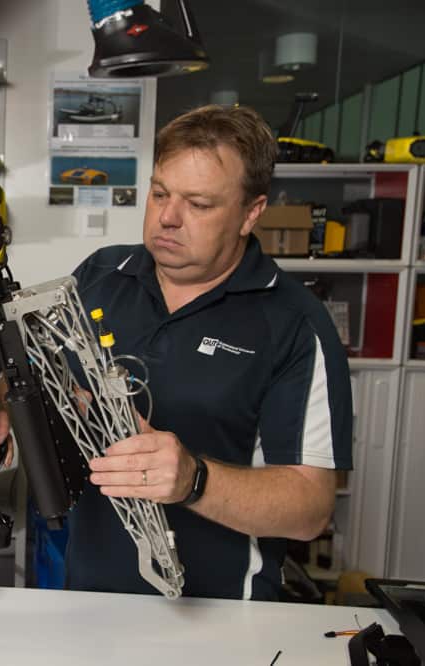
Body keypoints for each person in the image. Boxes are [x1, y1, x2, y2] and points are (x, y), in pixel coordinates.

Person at [65, 104, 353, 600]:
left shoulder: (293, 323)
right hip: (86, 602)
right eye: (159, 194)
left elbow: (311, 508)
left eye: (198, 204)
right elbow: (51, 386)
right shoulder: (98, 277)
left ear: (251, 213)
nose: (168, 218)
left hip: (221, 617)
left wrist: (194, 480)